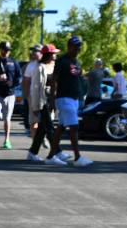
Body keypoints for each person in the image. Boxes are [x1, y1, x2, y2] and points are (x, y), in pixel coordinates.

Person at [46, 37, 92, 167]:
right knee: (74, 127)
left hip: (74, 99)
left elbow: (78, 78)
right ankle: (77, 158)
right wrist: (52, 100)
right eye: (76, 46)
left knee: (61, 128)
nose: (78, 49)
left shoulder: (76, 61)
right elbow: (54, 80)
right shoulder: (62, 61)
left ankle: (50, 156)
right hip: (64, 98)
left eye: (79, 46)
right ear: (69, 46)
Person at [25, 43, 58, 162]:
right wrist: (35, 106)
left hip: (51, 101)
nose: (55, 55)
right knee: (49, 127)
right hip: (42, 102)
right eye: (54, 53)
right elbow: (35, 88)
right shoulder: (39, 68)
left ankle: (32, 152)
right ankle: (56, 152)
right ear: (49, 55)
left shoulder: (54, 67)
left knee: (42, 128)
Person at [21, 45, 42, 133]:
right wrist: (26, 95)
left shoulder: (46, 64)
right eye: (33, 51)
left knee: (44, 120)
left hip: (44, 96)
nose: (33, 53)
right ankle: (33, 136)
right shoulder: (28, 66)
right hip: (31, 95)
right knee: (33, 119)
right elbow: (25, 81)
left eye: (36, 51)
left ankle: (41, 136)